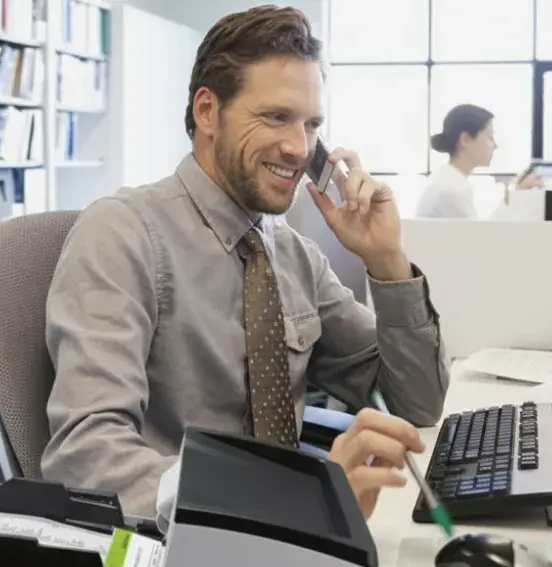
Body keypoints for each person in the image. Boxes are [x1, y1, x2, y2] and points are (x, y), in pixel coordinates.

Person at [42, 5, 450, 518]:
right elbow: (87, 458)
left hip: (290, 536)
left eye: (311, 125)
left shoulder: (295, 255)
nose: (299, 148)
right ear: (207, 112)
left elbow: (417, 404)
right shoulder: (122, 234)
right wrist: (282, 502)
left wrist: (386, 260)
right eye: (276, 117)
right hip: (181, 549)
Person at [416, 104, 542, 219]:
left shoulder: (450, 180)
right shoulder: (450, 192)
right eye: (490, 137)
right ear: (465, 140)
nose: (495, 145)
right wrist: (513, 198)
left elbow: (480, 233)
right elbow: (482, 239)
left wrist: (513, 197)